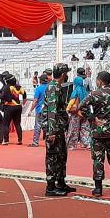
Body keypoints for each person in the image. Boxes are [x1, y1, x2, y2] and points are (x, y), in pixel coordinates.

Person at [80, 71, 110, 196]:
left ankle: (98, 188)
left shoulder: (94, 94)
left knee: (98, 159)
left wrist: (92, 118)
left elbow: (81, 106)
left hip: (98, 133)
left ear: (99, 81)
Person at [40, 63, 76, 196]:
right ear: (63, 75)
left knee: (61, 155)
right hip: (53, 127)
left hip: (58, 126)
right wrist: (51, 131)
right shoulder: (53, 88)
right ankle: (50, 187)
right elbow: (52, 110)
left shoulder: (56, 86)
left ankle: (60, 182)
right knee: (53, 156)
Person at [68, 68, 91, 150]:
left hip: (76, 112)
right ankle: (87, 143)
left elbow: (72, 101)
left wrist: (68, 109)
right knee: (85, 129)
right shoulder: (85, 91)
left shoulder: (75, 90)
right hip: (84, 112)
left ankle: (71, 145)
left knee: (73, 128)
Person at [1, 76, 25, 144]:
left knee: (6, 124)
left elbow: (5, 97)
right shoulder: (19, 87)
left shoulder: (6, 87)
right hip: (18, 106)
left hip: (9, 106)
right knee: (17, 124)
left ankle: (6, 140)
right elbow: (24, 94)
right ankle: (20, 140)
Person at [31, 72, 50, 147]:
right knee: (48, 126)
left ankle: (35, 142)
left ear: (41, 81)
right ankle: (49, 142)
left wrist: (31, 110)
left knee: (38, 126)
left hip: (39, 109)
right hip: (49, 109)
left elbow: (35, 100)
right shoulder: (50, 87)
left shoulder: (38, 89)